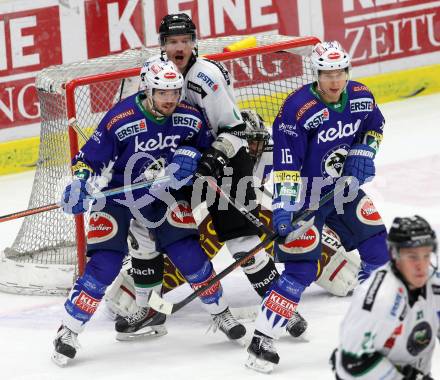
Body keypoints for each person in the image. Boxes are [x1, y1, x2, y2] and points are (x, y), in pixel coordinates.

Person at [115, 13, 307, 339]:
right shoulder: (150, 73)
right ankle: (147, 310)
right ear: (163, 45)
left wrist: (213, 158)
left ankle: (282, 309)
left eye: (185, 40)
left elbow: (233, 130)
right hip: (176, 167)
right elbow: (131, 116)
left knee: (242, 240)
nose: (179, 47)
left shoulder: (206, 77)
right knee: (144, 227)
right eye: (173, 41)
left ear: (194, 42)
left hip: (226, 161)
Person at [52, 57, 245, 367]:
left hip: (163, 194)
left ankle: (221, 313)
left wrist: (191, 156)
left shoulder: (190, 117)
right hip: (117, 196)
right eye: (162, 93)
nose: (170, 99)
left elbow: (204, 146)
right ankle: (68, 331)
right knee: (105, 264)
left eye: (175, 92)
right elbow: (88, 159)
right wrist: (80, 183)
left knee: (188, 253)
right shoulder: (121, 117)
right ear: (148, 90)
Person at [245, 40, 390, 373]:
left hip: (344, 191)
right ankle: (262, 340)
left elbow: (374, 127)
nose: (335, 81)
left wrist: (362, 154)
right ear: (317, 74)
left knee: (379, 253)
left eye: (340, 72)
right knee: (301, 271)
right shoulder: (297, 109)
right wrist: (283, 207)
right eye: (327, 74)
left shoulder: (361, 96)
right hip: (306, 196)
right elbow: (286, 164)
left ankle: (368, 331)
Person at [331, 215, 439, 380]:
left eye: (426, 255)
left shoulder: (433, 279)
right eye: (412, 256)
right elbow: (351, 362)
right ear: (395, 255)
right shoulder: (380, 299)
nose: (421, 265)